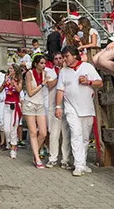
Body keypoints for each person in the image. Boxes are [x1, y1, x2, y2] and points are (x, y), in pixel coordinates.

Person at [54, 45, 103, 177]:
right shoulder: (63, 72)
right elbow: (60, 90)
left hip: (87, 108)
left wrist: (89, 82)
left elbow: (100, 82)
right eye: (63, 57)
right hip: (70, 107)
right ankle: (78, 164)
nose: (64, 59)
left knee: (85, 137)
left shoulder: (87, 67)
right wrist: (58, 107)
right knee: (76, 134)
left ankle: (83, 161)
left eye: (66, 56)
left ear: (75, 55)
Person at [45, 51, 72, 168]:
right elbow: (50, 85)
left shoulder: (68, 71)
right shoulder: (49, 72)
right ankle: (53, 158)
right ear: (53, 61)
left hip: (66, 106)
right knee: (53, 134)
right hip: (53, 106)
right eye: (56, 59)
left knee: (66, 134)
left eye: (60, 58)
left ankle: (65, 160)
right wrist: (59, 75)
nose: (59, 60)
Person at [24, 54, 51, 168]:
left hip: (40, 104)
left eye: (44, 63)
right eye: (41, 63)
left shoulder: (45, 73)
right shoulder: (29, 74)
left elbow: (51, 84)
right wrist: (42, 84)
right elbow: (30, 92)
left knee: (43, 133)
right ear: (35, 64)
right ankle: (37, 158)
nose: (44, 65)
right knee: (33, 132)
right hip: (30, 103)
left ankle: (35, 153)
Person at [3, 64, 23, 159]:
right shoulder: (6, 78)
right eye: (9, 68)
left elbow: (19, 89)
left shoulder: (19, 80)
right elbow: (1, 89)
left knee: (13, 127)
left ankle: (13, 148)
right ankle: (10, 142)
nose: (10, 70)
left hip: (15, 105)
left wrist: (14, 82)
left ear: (15, 70)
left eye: (11, 68)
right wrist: (6, 80)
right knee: (6, 129)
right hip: (6, 105)